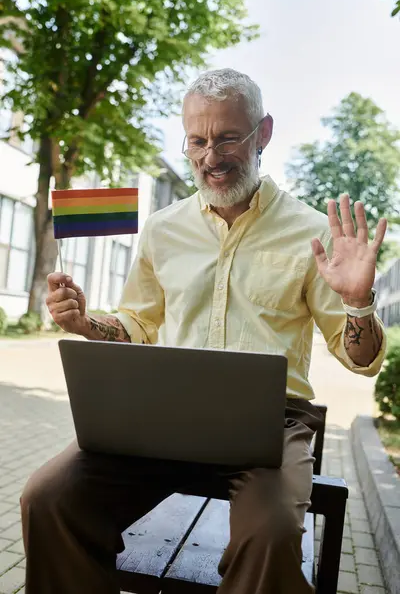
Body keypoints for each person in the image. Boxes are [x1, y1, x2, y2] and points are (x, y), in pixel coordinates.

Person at [21, 69, 387, 594]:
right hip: (165, 415)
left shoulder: (311, 234)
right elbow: (139, 325)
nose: (210, 156)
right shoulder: (162, 229)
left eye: (228, 137)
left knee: (272, 531)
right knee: (47, 498)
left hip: (271, 423)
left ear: (263, 133)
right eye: (198, 140)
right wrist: (86, 324)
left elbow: (361, 360)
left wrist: (356, 302)